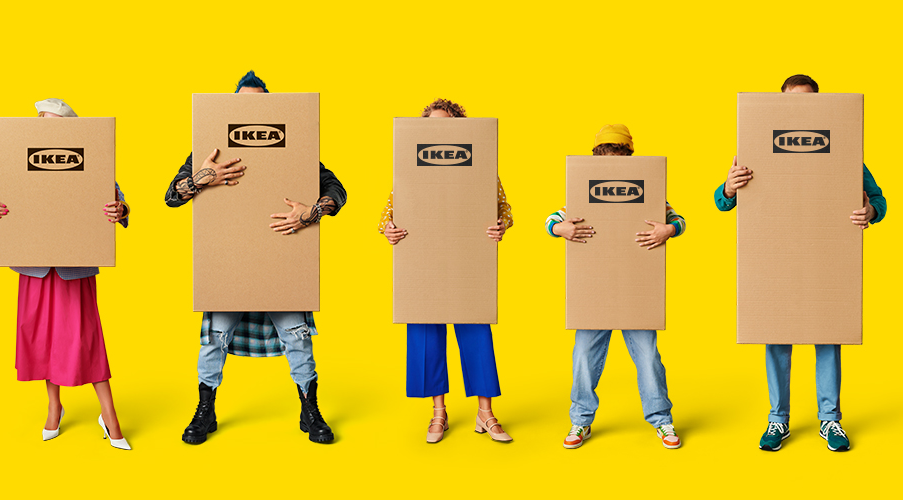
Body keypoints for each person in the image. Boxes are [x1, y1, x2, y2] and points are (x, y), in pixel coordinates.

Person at [165, 71, 346, 445]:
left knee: (298, 337)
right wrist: (203, 177)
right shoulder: (208, 149)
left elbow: (337, 189)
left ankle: (309, 411)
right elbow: (171, 195)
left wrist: (311, 212)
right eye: (243, 102)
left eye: (259, 102)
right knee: (214, 338)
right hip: (229, 259)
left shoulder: (296, 147)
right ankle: (205, 412)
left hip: (281, 256)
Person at [714, 74, 887, 452]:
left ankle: (830, 421)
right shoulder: (755, 147)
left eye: (807, 102)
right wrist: (728, 187)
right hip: (776, 255)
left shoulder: (843, 151)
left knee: (828, 335)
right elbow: (723, 202)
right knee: (776, 335)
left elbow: (878, 199)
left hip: (825, 257)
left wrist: (870, 210)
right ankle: (778, 420)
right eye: (791, 102)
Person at [0, 98, 131, 450]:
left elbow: (117, 196)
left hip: (74, 266)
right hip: (33, 264)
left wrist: (120, 208)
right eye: (40, 120)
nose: (44, 125)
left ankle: (109, 416)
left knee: (84, 337)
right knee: (42, 337)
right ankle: (54, 406)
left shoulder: (88, 156)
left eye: (52, 120)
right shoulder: (18, 154)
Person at [379, 98, 514, 444]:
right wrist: (389, 228)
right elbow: (388, 213)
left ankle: (486, 414)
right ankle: (439, 413)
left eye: (447, 124)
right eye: (432, 125)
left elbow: (505, 209)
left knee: (477, 332)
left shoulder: (482, 166)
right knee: (426, 333)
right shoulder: (408, 167)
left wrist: (501, 225)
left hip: (467, 261)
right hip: (424, 261)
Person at [545, 124, 685, 449]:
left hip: (636, 288)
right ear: (596, 157)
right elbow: (551, 218)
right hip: (594, 291)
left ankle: (662, 421)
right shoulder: (580, 190)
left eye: (618, 154)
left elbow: (679, 219)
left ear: (628, 156)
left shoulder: (650, 189)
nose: (612, 160)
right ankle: (580, 422)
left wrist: (670, 230)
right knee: (582, 357)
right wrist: (559, 228)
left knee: (649, 357)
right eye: (606, 154)